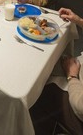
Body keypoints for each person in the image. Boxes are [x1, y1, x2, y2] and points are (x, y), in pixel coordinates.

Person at [30, 7, 83, 135]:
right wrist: (78, 20)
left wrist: (72, 76)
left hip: (77, 101)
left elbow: (80, 106)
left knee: (35, 89)